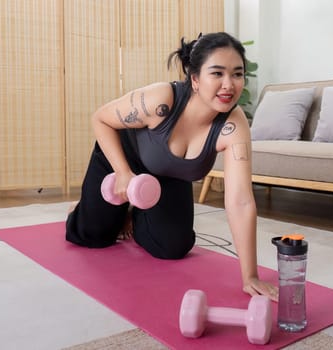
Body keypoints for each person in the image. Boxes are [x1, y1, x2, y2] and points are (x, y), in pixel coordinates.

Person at [65, 32, 278, 302]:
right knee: (92, 236)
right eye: (217, 74)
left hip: (167, 177)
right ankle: (81, 207)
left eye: (237, 74)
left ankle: (134, 214)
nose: (228, 84)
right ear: (196, 79)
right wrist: (122, 172)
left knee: (173, 247)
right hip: (121, 161)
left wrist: (250, 276)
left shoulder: (233, 125)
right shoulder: (161, 100)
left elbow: (241, 201)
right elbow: (101, 119)